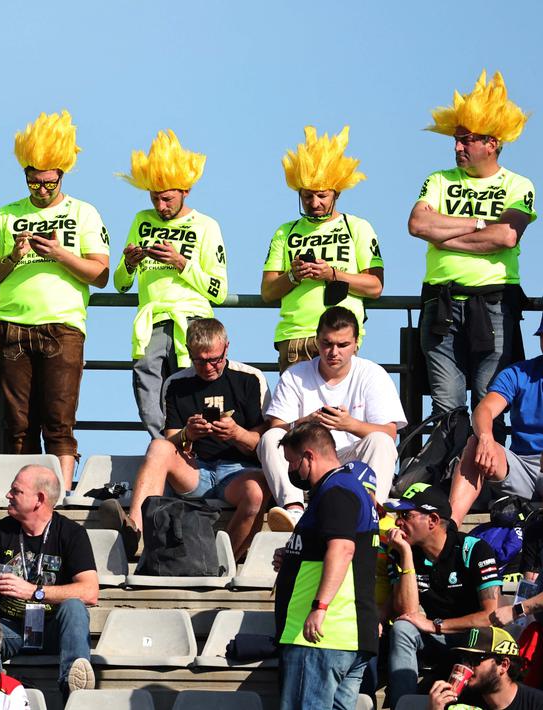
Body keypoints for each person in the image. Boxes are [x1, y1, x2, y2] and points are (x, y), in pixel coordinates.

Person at [0, 111, 110, 488]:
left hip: (63, 326)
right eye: (34, 183)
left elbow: (101, 275)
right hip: (12, 325)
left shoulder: (84, 212)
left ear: (62, 176)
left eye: (48, 184)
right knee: (16, 424)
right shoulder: (7, 213)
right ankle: (17, 492)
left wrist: (59, 254)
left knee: (59, 418)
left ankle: (62, 492)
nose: (41, 191)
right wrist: (12, 258)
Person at [408, 71, 536, 414]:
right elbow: (419, 224)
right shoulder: (437, 179)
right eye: (455, 139)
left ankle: (486, 467)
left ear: (491, 143)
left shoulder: (518, 184)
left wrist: (445, 239)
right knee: (445, 406)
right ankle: (449, 470)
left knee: (488, 402)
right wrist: (479, 224)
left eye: (466, 139)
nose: (457, 146)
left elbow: (507, 235)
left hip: (493, 306)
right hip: (441, 305)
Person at [117, 318, 270, 559]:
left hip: (240, 471)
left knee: (257, 493)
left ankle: (221, 560)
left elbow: (263, 445)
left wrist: (236, 433)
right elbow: (169, 441)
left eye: (215, 360)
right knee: (157, 446)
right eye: (200, 361)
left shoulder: (250, 378)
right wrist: (188, 434)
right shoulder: (176, 383)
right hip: (195, 469)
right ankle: (133, 531)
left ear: (227, 348)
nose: (208, 367)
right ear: (188, 352)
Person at [114, 129, 227, 438]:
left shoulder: (207, 226)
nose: (161, 206)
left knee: (193, 387)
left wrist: (181, 263)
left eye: (167, 199)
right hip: (150, 320)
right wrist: (130, 263)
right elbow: (121, 284)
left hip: (192, 321)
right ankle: (164, 445)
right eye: (155, 197)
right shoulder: (141, 219)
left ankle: (196, 450)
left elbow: (219, 289)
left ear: (186, 190)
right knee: (146, 389)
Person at [259, 306, 407, 531]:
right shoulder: (295, 375)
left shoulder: (372, 374)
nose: (333, 352)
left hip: (350, 459)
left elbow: (390, 432)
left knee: (381, 441)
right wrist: (304, 424)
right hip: (307, 461)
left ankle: (368, 510)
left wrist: (350, 424)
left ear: (356, 343)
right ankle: (294, 510)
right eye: (327, 344)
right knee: (271, 438)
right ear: (316, 341)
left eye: (342, 345)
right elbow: (276, 427)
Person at [0, 465, 98, 698]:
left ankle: (75, 693)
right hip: (10, 628)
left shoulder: (71, 533)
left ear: (39, 499)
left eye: (16, 491)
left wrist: (35, 592)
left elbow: (90, 592)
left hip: (55, 629)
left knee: (75, 607)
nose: (8, 495)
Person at [272, 424, 379, 710]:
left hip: (321, 637)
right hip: (341, 636)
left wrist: (320, 608)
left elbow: (343, 549)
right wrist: (293, 555)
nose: (291, 471)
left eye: (292, 463)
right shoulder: (342, 488)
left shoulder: (337, 490)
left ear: (309, 456)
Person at [262, 126, 384, 372]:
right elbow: (267, 291)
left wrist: (332, 275)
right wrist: (293, 275)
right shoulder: (284, 231)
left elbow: (375, 286)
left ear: (336, 193)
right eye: (307, 196)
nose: (314, 203)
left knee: (335, 410)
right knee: (294, 412)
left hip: (340, 337)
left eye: (322, 196)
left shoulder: (358, 227)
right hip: (294, 335)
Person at [383, 483, 503, 708]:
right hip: (437, 639)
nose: (398, 522)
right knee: (402, 628)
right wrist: (406, 555)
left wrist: (436, 625)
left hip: (474, 639)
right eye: (398, 515)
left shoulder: (474, 550)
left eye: (406, 515)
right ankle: (403, 705)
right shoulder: (402, 551)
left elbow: (491, 616)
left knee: (480, 633)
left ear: (433, 520)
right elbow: (407, 613)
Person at [449, 315, 543, 525]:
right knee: (475, 443)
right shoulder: (518, 373)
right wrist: (485, 438)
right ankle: (451, 527)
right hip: (522, 468)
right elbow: (484, 409)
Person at [428, 627, 543, 710]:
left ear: (504, 665)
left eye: (475, 659)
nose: (467, 666)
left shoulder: (536, 703)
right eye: (465, 658)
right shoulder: (458, 701)